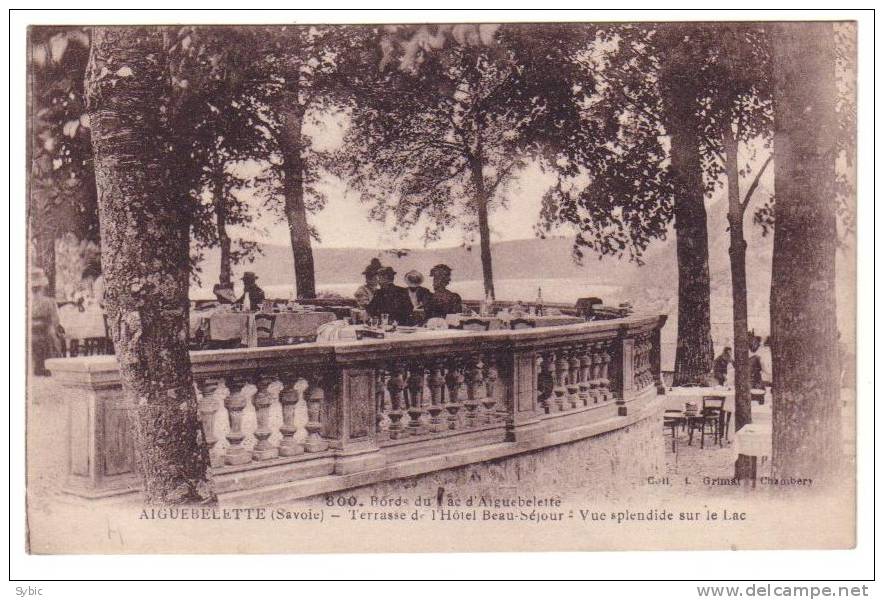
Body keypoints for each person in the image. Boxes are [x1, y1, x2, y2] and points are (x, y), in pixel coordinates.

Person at [30, 268, 62, 375]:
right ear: (43, 286)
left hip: (30, 335)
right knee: (53, 334)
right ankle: (50, 364)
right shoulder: (49, 302)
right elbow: (55, 321)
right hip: (46, 336)